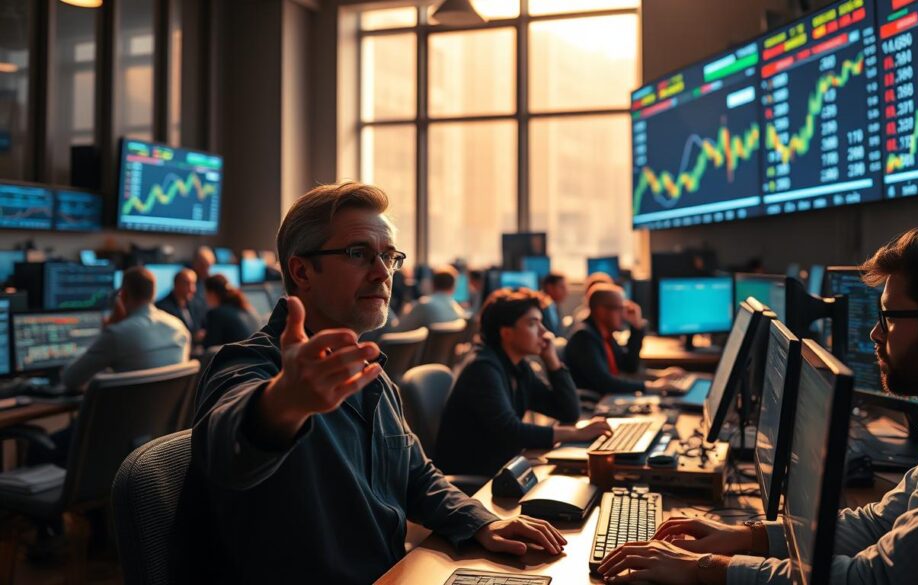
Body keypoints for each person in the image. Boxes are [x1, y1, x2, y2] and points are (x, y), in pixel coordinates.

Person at [596, 223, 918, 585]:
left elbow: (875, 579)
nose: (876, 335)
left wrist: (711, 569)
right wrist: (747, 536)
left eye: (889, 317)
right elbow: (882, 521)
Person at [190, 182, 566, 584]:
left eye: (389, 256)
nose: (383, 272)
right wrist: (284, 403)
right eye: (359, 254)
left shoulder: (373, 376)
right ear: (301, 271)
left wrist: (481, 523)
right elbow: (226, 450)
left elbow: (416, 476)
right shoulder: (252, 364)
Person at [435, 289, 611, 476]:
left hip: (506, 468)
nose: (545, 333)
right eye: (533, 324)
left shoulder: (518, 366)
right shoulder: (482, 369)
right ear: (506, 333)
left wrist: (552, 361)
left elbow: (567, 411)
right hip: (477, 479)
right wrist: (575, 434)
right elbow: (511, 432)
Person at [63, 266, 191, 390]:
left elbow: (70, 379)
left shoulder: (116, 334)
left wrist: (105, 332)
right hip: (166, 411)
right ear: (153, 293)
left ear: (123, 295)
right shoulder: (179, 328)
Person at [565, 283, 670, 394]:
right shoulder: (584, 338)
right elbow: (605, 383)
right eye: (619, 308)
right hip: (597, 405)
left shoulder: (605, 335)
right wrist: (651, 386)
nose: (624, 315)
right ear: (601, 311)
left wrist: (637, 328)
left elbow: (629, 367)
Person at [396, 264, 466, 331]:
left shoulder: (424, 305)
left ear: (433, 284)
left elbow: (399, 330)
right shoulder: (457, 309)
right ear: (453, 287)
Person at [201, 274, 260, 348]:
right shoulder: (248, 309)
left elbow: (208, 346)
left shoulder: (216, 313)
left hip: (239, 358)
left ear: (212, 294)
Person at [156, 268, 202, 339]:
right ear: (176, 284)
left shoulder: (196, 305)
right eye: (187, 284)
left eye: (193, 284)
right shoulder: (163, 307)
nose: (191, 289)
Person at [190, 245, 216, 326]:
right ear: (195, 264)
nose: (207, 272)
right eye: (204, 266)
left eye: (209, 267)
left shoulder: (206, 282)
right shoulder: (188, 282)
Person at [540, 272, 569, 337]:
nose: (566, 291)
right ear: (550, 287)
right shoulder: (540, 307)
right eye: (562, 287)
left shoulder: (555, 306)